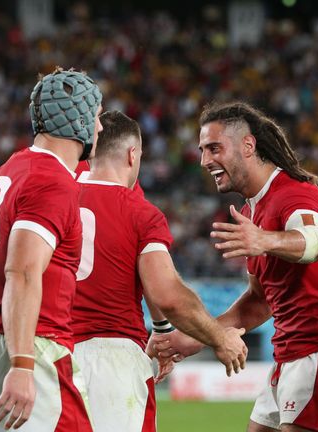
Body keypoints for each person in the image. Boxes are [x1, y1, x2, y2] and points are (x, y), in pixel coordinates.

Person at [162, 101, 318, 432]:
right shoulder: (254, 210)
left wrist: (265, 241)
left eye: (214, 148)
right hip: (289, 356)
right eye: (202, 150)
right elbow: (258, 301)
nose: (204, 160)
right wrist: (198, 338)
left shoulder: (295, 194)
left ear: (248, 145)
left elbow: (314, 242)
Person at [72, 110, 248, 432]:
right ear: (132, 154)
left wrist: (163, 329)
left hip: (51, 353)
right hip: (110, 360)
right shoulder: (139, 212)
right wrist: (220, 338)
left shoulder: (55, 196)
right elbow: (168, 295)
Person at [0, 67, 103, 432]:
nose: (100, 128)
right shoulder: (51, 181)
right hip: (30, 347)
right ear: (80, 118)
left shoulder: (7, 171)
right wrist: (21, 363)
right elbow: (21, 272)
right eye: (97, 116)